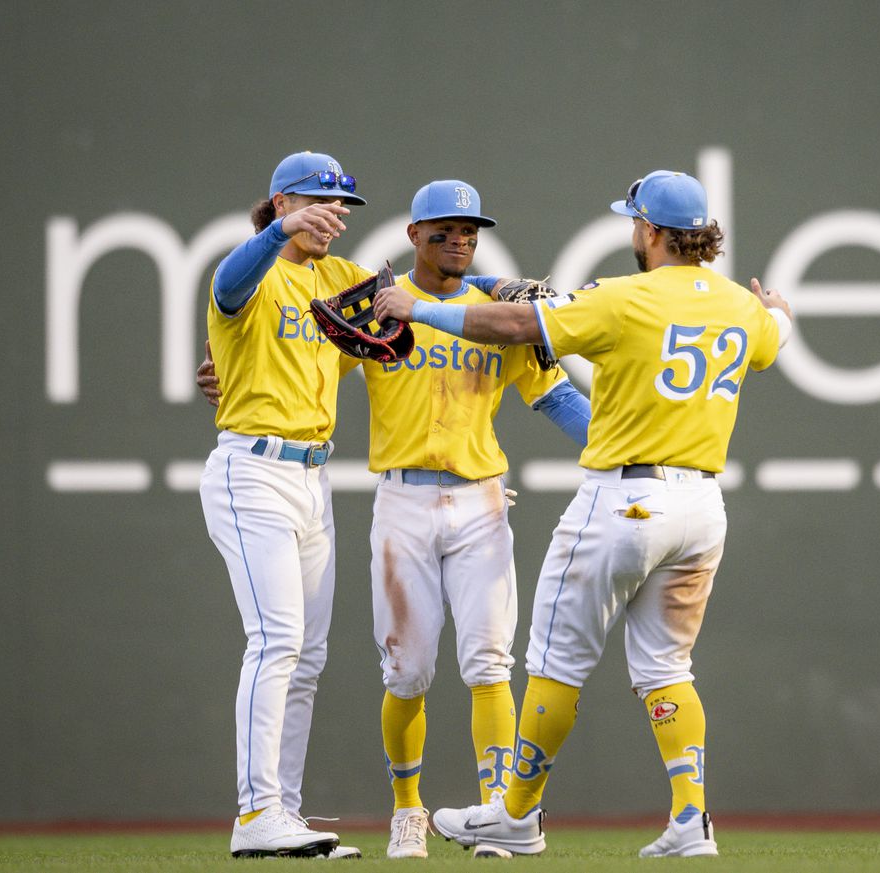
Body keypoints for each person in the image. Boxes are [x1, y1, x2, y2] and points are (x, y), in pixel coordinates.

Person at [373, 170, 794, 858]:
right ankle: (692, 817)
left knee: (554, 661)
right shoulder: (737, 307)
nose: (633, 231)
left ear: (653, 231)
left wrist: (416, 310)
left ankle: (514, 812)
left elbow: (514, 322)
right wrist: (778, 308)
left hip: (625, 499)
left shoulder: (624, 297)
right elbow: (774, 336)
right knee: (666, 665)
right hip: (701, 507)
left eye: (636, 221)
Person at [198, 179, 591, 859]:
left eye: (470, 231)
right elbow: (305, 349)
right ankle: (407, 808)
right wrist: (229, 370)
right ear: (414, 236)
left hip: (481, 498)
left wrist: (618, 448)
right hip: (403, 499)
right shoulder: (380, 306)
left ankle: (496, 812)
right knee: (405, 671)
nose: (459, 240)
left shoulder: (497, 314)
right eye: (444, 230)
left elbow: (553, 396)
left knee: (489, 661)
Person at [198, 150, 367, 859]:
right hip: (253, 469)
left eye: (339, 206)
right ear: (278, 202)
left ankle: (285, 810)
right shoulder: (254, 268)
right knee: (275, 640)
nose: (331, 216)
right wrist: (278, 230)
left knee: (309, 653)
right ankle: (254, 811)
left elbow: (412, 294)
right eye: (315, 202)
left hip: (313, 477)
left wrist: (494, 289)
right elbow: (225, 283)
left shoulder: (338, 279)